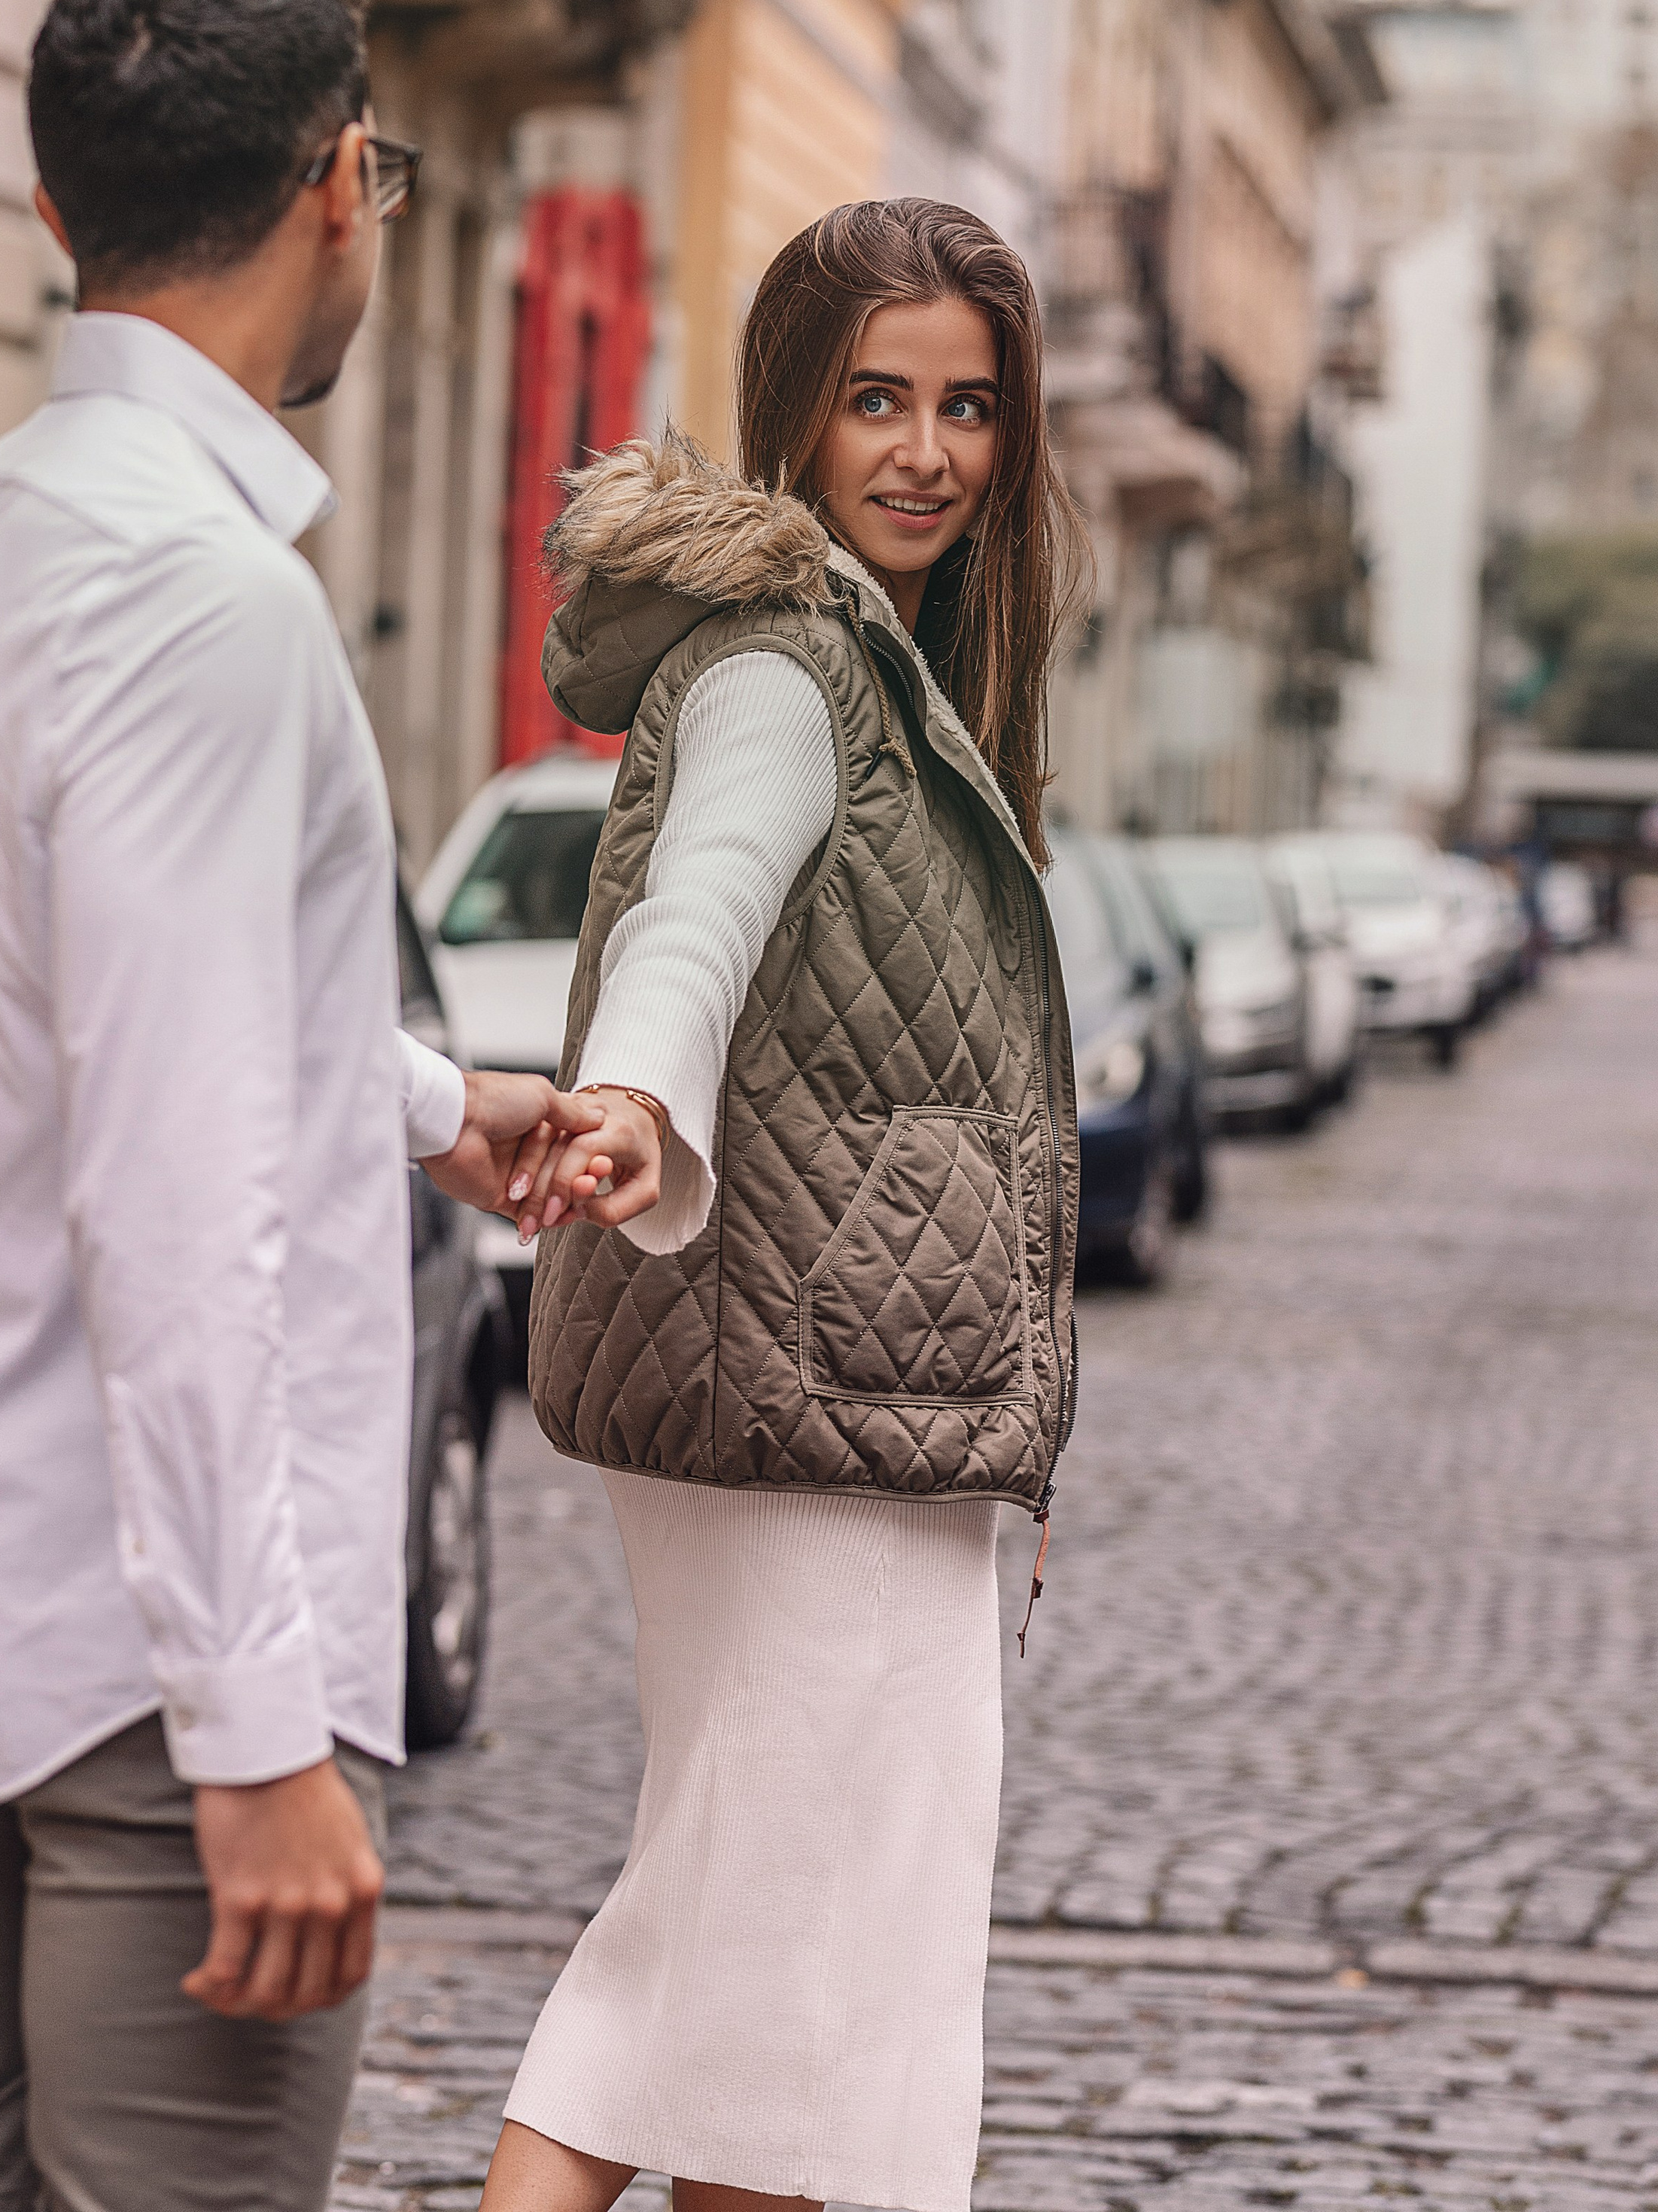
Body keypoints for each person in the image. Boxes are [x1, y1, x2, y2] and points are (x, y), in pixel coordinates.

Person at [0, 0, 610, 2212]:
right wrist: (259, 1736)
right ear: (339, 183)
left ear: (59, 211)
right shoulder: (203, 594)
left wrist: (432, 1107)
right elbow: (172, 1193)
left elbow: (45, 1012)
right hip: (148, 1673)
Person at [479, 198, 1090, 2212]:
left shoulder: (895, 674)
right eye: (876, 401)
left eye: (968, 407)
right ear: (795, 417)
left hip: (862, 1397)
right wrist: (639, 1092)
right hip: (808, 1403)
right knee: (742, 1956)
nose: (925, 452)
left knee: (777, 1971)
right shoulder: (789, 658)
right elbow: (701, 899)